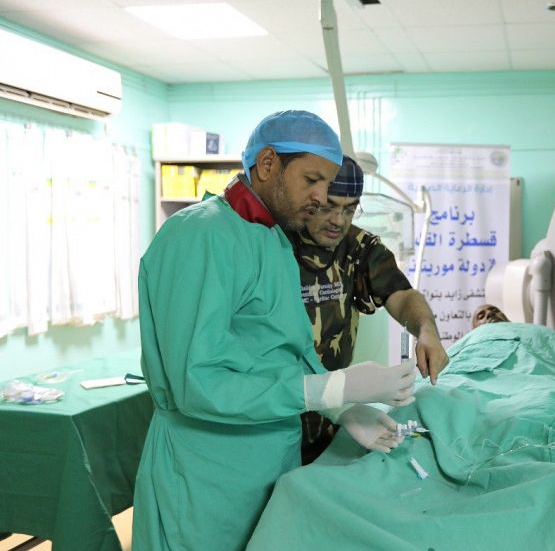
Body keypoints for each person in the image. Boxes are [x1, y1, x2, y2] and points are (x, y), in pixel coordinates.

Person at [133, 111, 419, 551]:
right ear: (268, 164)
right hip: (207, 476)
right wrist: (331, 389)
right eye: (312, 180)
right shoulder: (200, 236)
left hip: (268, 464)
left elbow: (285, 347)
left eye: (327, 184)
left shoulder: (271, 238)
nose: (321, 197)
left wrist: (341, 411)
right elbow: (198, 384)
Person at [289, 155, 449, 464]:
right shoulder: (277, 247)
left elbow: (401, 294)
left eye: (350, 209)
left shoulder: (358, 248)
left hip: (332, 418)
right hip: (277, 413)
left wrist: (427, 331)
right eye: (329, 206)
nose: (339, 220)